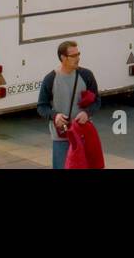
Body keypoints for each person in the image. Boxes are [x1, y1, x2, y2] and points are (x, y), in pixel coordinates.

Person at [37, 40, 103, 169]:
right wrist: (55, 116)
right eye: (73, 56)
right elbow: (41, 106)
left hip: (82, 133)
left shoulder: (86, 75)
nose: (78, 58)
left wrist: (87, 112)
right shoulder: (50, 79)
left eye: (78, 54)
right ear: (63, 58)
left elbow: (97, 101)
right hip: (61, 136)